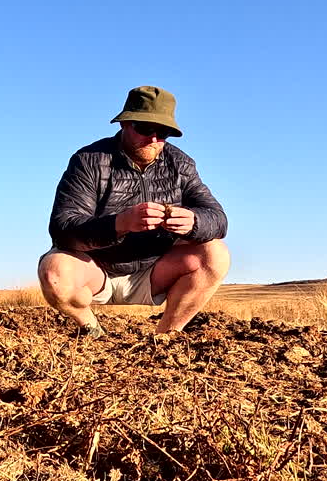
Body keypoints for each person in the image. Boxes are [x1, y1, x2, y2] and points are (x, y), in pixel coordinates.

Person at [39, 85, 230, 337]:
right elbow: (62, 228)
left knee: (215, 254)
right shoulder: (88, 160)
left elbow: (218, 219)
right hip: (95, 269)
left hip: (155, 272)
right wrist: (120, 223)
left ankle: (166, 338)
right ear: (125, 124)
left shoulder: (181, 164)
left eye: (163, 132)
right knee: (54, 271)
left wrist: (194, 222)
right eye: (145, 128)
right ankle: (92, 330)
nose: (153, 139)